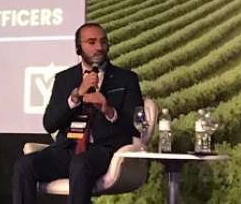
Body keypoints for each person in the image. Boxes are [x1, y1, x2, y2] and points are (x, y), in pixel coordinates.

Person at [12, 23, 143, 204]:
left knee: (80, 164)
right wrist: (75, 97)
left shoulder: (126, 79)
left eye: (103, 42)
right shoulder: (64, 78)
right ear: (78, 48)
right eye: (91, 42)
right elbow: (49, 123)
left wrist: (108, 110)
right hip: (67, 149)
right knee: (24, 165)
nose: (99, 47)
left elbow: (136, 127)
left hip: (104, 150)